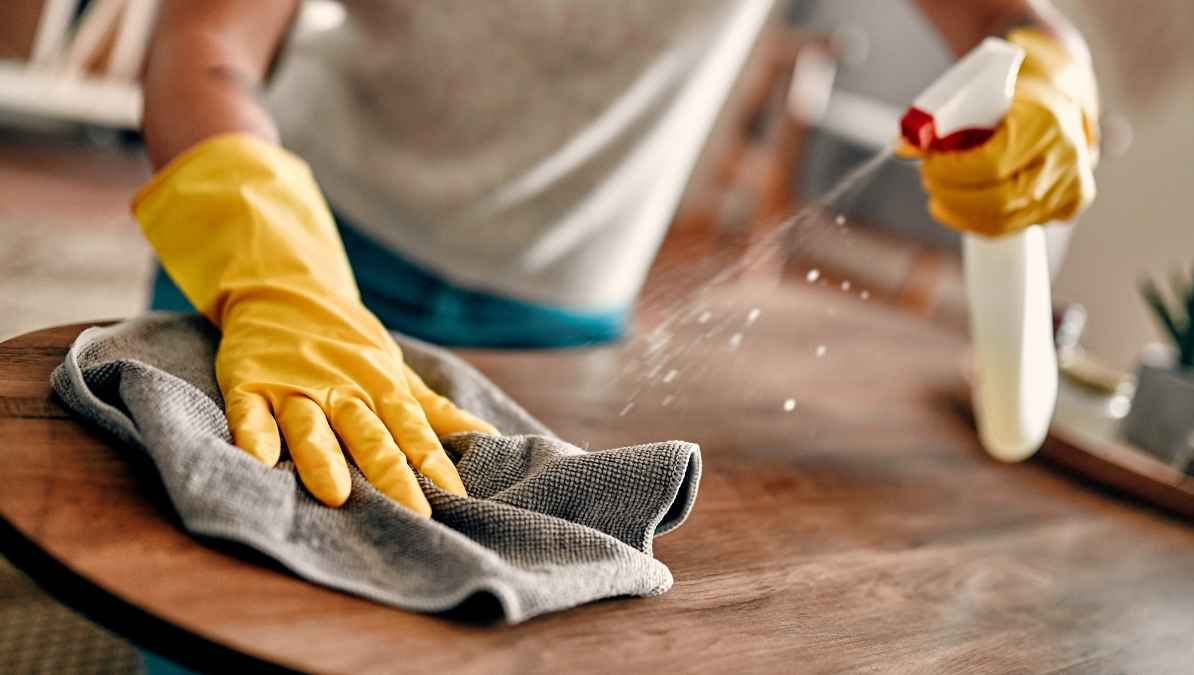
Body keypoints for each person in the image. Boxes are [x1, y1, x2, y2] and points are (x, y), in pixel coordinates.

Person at [136, 0, 1098, 516]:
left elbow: (1010, 22)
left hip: (556, 330)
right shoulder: (275, 268)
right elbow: (206, 34)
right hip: (279, 253)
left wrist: (1053, 80)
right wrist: (279, 276)